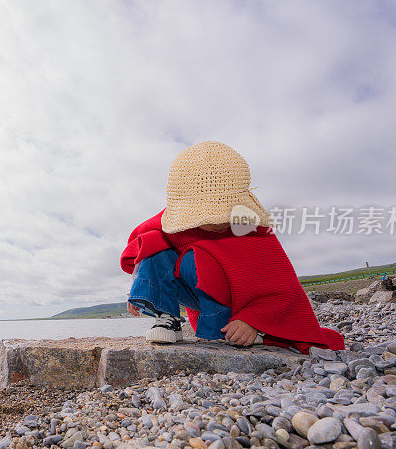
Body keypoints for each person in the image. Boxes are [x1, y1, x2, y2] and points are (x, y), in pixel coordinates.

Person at [120, 141, 344, 354]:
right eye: (209, 216)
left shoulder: (250, 227)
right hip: (197, 292)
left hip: (235, 304)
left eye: (225, 213)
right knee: (152, 241)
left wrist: (252, 320)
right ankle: (167, 318)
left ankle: (243, 330)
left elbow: (279, 284)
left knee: (197, 257)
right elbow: (138, 250)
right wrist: (140, 288)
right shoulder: (170, 223)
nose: (219, 223)